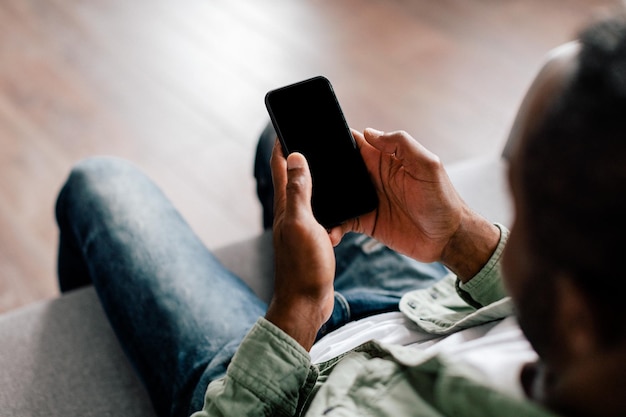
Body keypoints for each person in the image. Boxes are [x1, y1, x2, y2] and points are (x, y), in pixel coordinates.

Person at [55, 13, 626, 417]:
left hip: (285, 380)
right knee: (284, 144)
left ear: (575, 318)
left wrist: (297, 310)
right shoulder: (599, 340)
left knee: (101, 184)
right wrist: (459, 238)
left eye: (520, 214)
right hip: (429, 310)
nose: (507, 227)